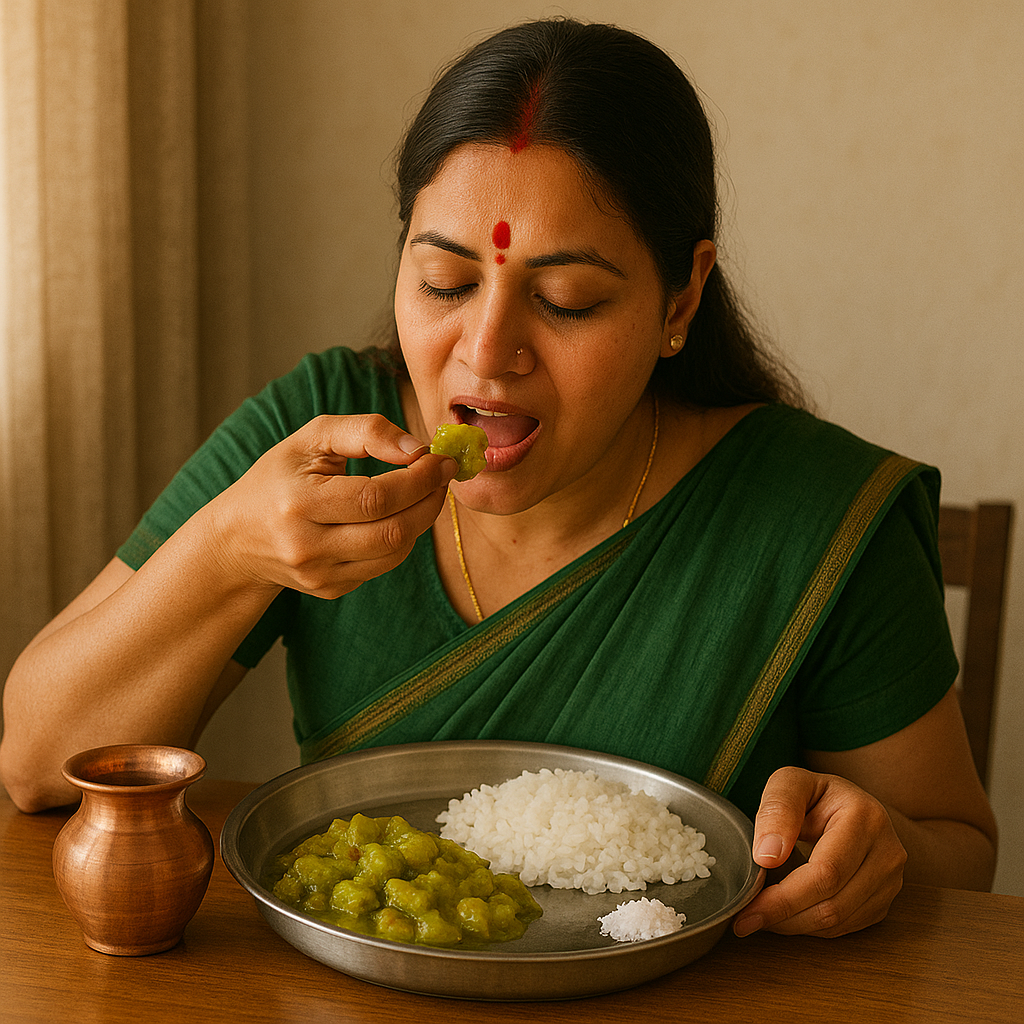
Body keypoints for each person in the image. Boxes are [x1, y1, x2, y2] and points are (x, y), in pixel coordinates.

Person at [0, 18, 996, 938]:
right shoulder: (321, 437)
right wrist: (226, 553)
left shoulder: (819, 513)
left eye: (564, 300)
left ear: (680, 296)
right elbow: (36, 761)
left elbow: (962, 853)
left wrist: (881, 851)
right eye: (444, 281)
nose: (485, 352)